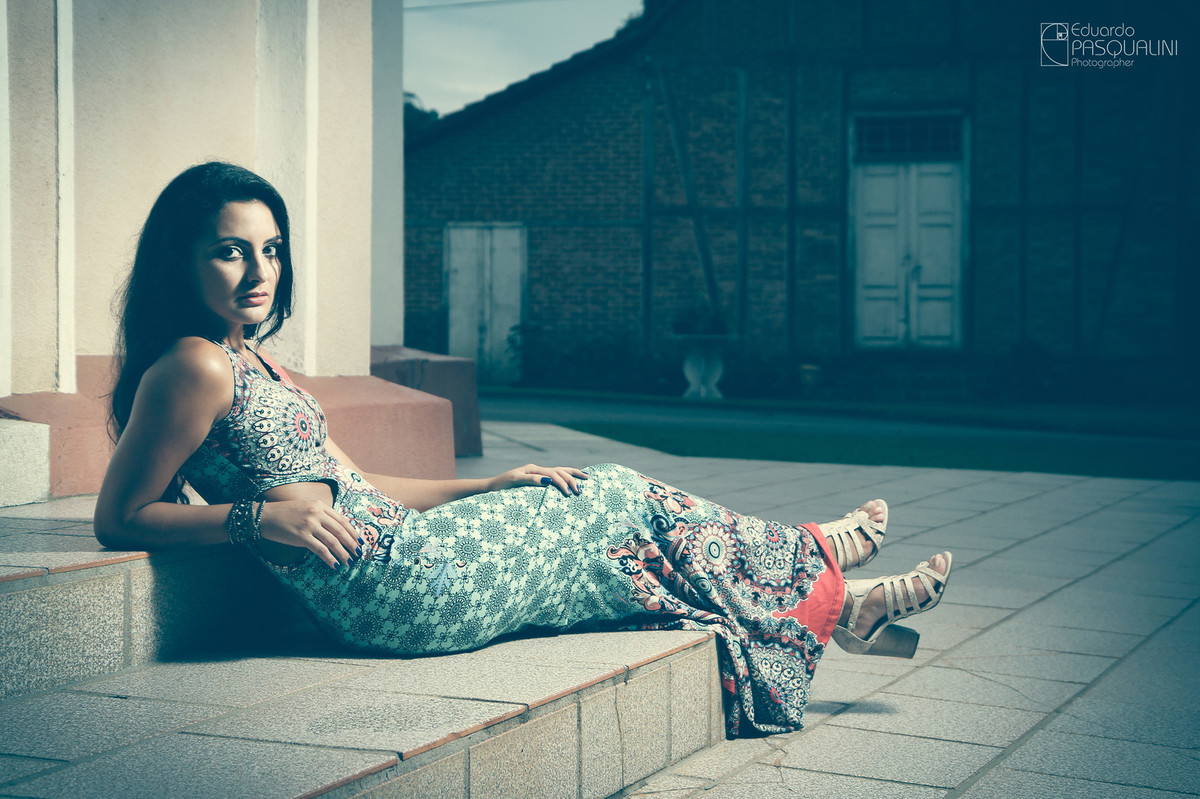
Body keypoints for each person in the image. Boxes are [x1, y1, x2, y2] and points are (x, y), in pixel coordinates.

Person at [94, 162, 951, 736]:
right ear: (183, 259)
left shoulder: (254, 359)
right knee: (612, 495)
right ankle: (821, 563)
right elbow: (118, 516)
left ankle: (842, 596)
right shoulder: (192, 365)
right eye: (230, 250)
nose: (259, 271)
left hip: (407, 547)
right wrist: (254, 521)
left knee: (594, 496)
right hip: (395, 591)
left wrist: (489, 483)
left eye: (271, 249)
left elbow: (361, 485)